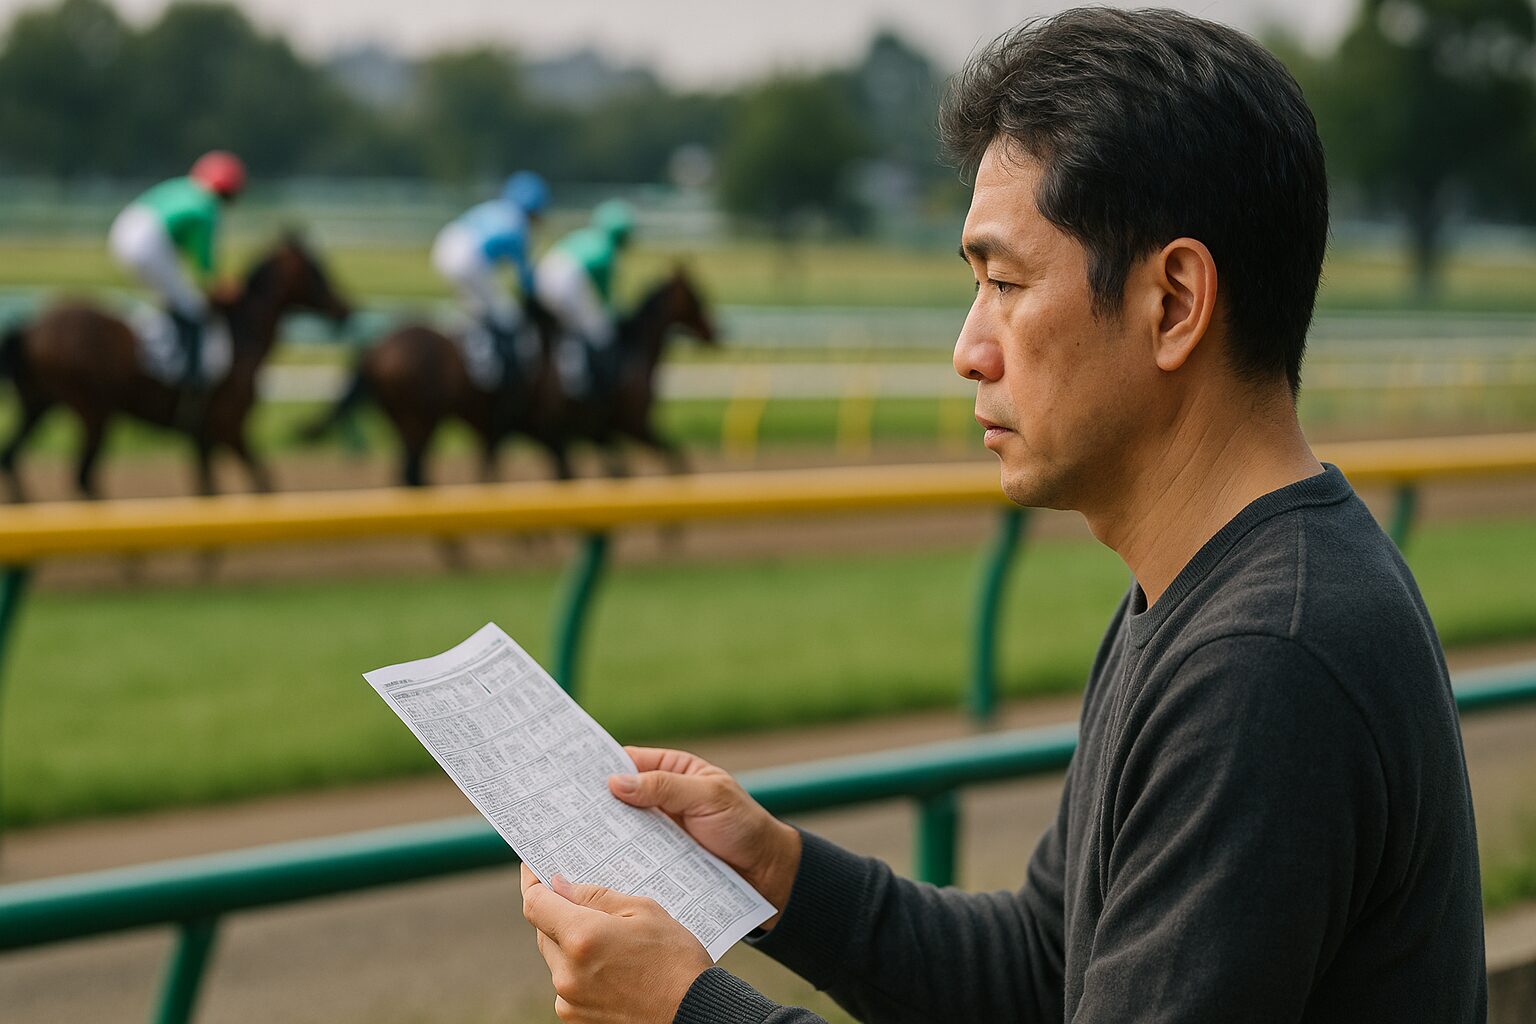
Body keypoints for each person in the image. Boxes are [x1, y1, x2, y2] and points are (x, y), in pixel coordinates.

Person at [520, 8, 1487, 1024]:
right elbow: (1041, 969)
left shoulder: (1264, 658)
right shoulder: (1210, 592)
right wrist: (779, 874)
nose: (969, 348)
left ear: (1174, 303)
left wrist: (688, 1008)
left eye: (1006, 282)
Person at [108, 150, 245, 416]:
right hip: (148, 243)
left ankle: (163, 347)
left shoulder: (184, 188)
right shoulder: (207, 206)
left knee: (176, 298)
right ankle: (190, 385)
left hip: (123, 233)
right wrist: (221, 286)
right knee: (193, 308)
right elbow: (205, 263)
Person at [431, 170, 550, 392]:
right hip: (468, 260)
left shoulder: (497, 208)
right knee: (507, 316)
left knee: (477, 308)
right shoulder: (520, 228)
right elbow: (526, 280)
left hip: (443, 247)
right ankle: (486, 370)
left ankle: (460, 337)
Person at [534, 198, 634, 397]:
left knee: (570, 325)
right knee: (600, 332)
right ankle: (581, 384)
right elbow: (605, 299)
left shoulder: (584, 236)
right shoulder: (607, 252)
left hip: (542, 277)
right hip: (566, 284)